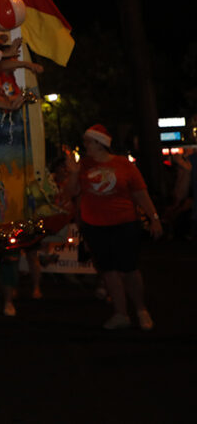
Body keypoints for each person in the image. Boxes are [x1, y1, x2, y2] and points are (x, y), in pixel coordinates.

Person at [66, 124, 162, 330]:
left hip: (125, 224)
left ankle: (140, 309)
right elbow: (71, 193)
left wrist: (154, 217)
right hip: (95, 226)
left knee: (129, 269)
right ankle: (121, 314)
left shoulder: (123, 165)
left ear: (100, 144)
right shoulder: (82, 165)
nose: (85, 145)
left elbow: (140, 193)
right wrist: (73, 173)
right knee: (108, 271)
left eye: (88, 142)